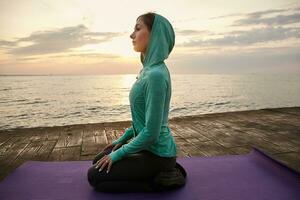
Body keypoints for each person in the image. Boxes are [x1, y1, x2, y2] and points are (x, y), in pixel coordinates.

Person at [87, 12, 186, 193]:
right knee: (98, 160)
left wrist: (119, 153)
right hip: (146, 148)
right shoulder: (147, 71)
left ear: (155, 35)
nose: (132, 35)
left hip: (159, 154)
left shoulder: (156, 75)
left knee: (94, 177)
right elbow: (140, 123)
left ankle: (168, 175)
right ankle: (158, 172)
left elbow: (151, 132)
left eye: (138, 29)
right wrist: (120, 142)